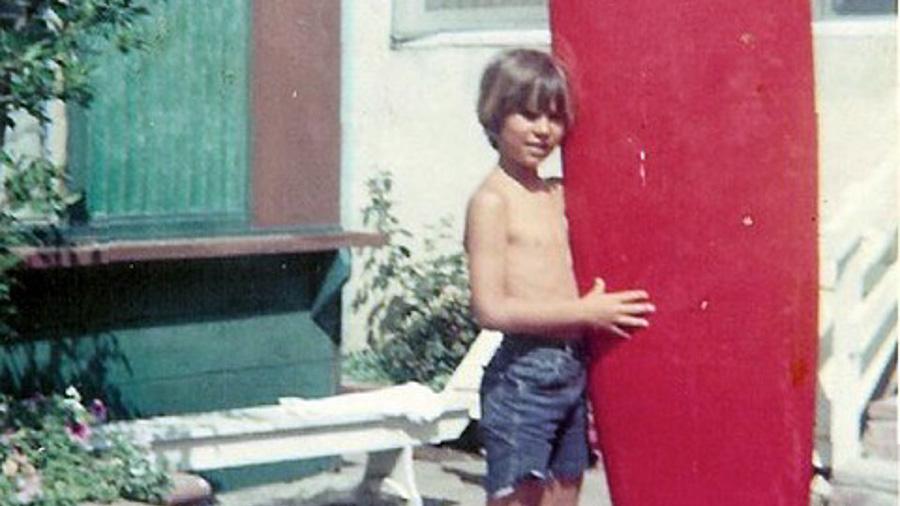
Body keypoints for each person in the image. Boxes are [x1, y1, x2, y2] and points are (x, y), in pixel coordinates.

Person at [465, 48, 655, 506]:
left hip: (573, 369)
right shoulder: (492, 202)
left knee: (565, 493)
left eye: (554, 117)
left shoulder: (557, 193)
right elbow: (489, 309)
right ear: (495, 115)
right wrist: (585, 313)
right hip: (522, 378)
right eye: (528, 115)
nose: (543, 130)